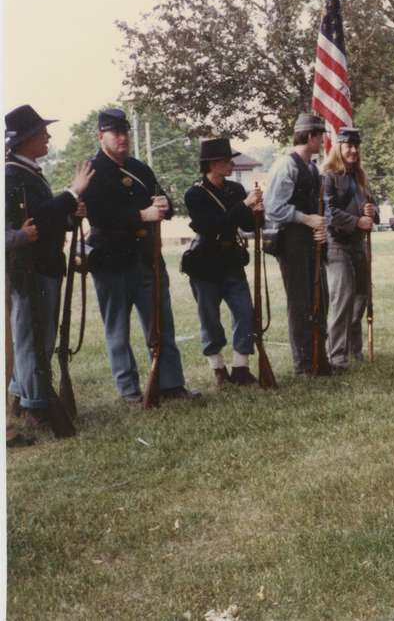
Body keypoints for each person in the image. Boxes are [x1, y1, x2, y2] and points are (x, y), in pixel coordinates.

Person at [83, 108, 195, 403]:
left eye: (125, 132)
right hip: (111, 259)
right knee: (117, 329)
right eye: (115, 133)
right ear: (101, 136)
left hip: (146, 258)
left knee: (161, 325)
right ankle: (130, 391)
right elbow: (99, 215)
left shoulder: (139, 168)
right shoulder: (91, 171)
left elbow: (162, 199)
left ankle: (171, 385)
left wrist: (163, 204)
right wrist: (141, 214)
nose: (122, 138)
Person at [5, 105, 93, 424]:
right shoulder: (12, 174)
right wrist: (72, 192)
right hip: (30, 270)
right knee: (33, 339)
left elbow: (45, 217)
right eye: (41, 132)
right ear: (27, 139)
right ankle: (35, 404)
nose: (47, 136)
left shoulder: (26, 172)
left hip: (42, 266)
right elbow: (35, 222)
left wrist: (70, 214)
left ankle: (24, 397)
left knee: (37, 337)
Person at [183, 138, 262, 387]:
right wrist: (243, 206)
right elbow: (211, 226)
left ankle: (241, 367)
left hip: (231, 260)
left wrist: (257, 210)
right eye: (226, 160)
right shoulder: (195, 194)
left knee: (244, 312)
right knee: (210, 318)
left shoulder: (235, 190)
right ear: (212, 164)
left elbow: (247, 225)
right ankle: (218, 369)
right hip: (204, 262)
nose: (231, 164)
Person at [263, 113, 330, 375]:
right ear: (310, 136)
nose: (323, 140)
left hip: (311, 240)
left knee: (319, 299)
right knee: (300, 302)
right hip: (291, 242)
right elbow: (274, 207)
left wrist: (319, 226)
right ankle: (303, 363)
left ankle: (318, 358)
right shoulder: (286, 166)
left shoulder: (312, 167)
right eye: (320, 135)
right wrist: (306, 219)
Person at [319, 127, 379, 371]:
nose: (353, 150)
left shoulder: (359, 176)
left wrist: (372, 212)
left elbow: (373, 205)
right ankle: (337, 357)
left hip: (358, 245)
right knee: (342, 301)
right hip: (337, 244)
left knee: (361, 298)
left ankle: (355, 350)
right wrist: (357, 221)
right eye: (348, 146)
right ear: (339, 148)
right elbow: (329, 212)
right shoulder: (328, 176)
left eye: (356, 146)